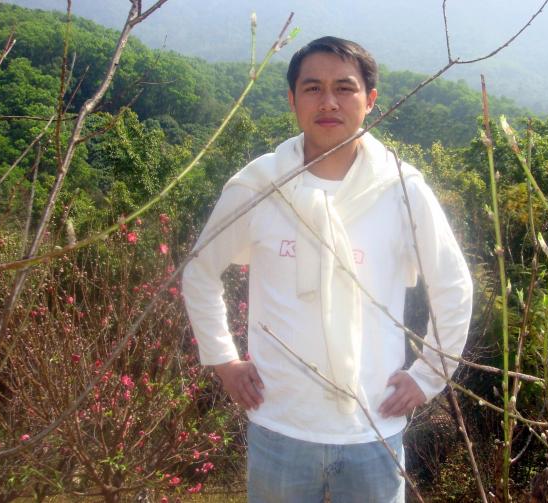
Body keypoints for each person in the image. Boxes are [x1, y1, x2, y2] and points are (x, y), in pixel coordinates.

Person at [182, 36, 472, 503]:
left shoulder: (401, 189)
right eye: (313, 88)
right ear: (292, 99)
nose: (329, 101)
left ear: (370, 100)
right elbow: (199, 272)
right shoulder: (259, 185)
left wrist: (429, 375)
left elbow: (453, 285)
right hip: (279, 424)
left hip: (373, 427)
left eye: (345, 87)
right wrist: (223, 361)